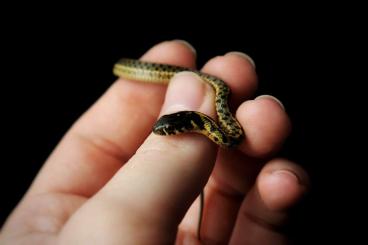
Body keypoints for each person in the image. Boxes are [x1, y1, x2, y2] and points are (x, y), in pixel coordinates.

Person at [0, 40, 309, 244]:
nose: (163, 136)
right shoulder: (209, 124)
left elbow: (229, 136)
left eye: (169, 132)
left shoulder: (218, 129)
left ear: (188, 123)